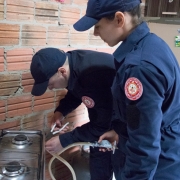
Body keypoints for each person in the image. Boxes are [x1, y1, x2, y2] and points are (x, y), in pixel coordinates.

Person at [73, 0, 180, 180]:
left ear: (119, 19)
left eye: (98, 26)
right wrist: (121, 132)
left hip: (156, 167)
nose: (95, 33)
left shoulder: (139, 68)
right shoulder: (152, 44)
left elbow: (144, 145)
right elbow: (143, 117)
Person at [30, 47, 116, 180]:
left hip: (125, 129)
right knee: (99, 169)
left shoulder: (94, 75)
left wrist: (65, 140)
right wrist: (61, 111)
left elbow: (102, 125)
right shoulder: (72, 63)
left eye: (50, 84)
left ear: (61, 71)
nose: (50, 88)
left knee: (124, 170)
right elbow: (77, 91)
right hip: (102, 126)